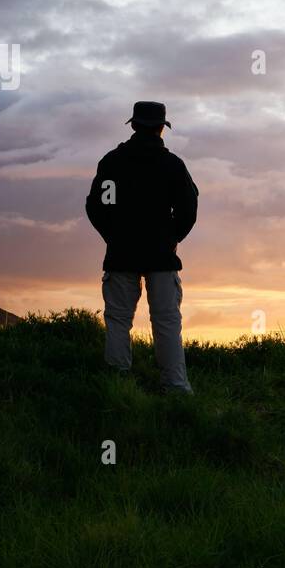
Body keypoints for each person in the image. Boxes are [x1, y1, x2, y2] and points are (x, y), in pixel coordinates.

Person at [85, 101, 198, 392]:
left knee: (119, 320)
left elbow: (97, 206)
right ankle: (175, 386)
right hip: (161, 254)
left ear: (133, 125)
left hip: (121, 253)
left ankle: (118, 384)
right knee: (167, 321)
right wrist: (172, 239)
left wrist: (113, 235)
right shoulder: (172, 165)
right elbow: (188, 208)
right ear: (162, 127)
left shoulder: (111, 162)